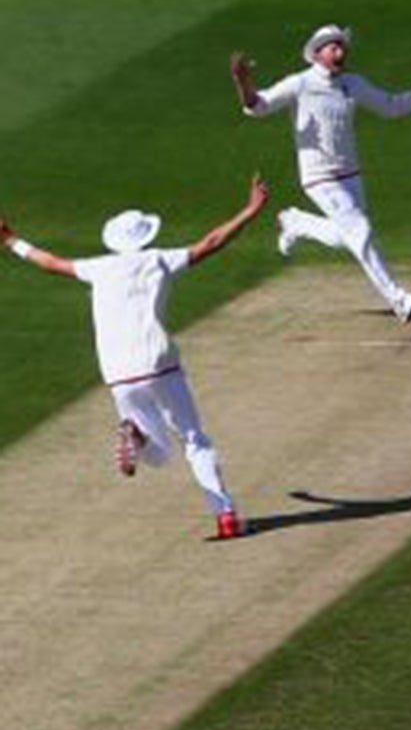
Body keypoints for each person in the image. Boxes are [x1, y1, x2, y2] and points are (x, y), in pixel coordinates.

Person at [1, 176, 270, 541]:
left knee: (158, 456)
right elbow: (210, 243)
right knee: (193, 439)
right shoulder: (159, 259)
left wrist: (10, 240)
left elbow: (50, 262)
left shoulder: (98, 268)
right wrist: (250, 211)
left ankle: (138, 436)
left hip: (117, 371)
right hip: (160, 362)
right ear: (146, 236)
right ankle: (225, 515)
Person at [231, 25, 411, 322]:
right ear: (317, 53)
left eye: (342, 46)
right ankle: (398, 298)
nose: (341, 51)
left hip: (351, 175)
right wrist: (243, 81)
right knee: (360, 230)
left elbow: (390, 106)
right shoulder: (299, 84)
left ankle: (296, 222)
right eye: (333, 47)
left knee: (348, 236)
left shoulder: (353, 83)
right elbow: (256, 106)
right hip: (318, 177)